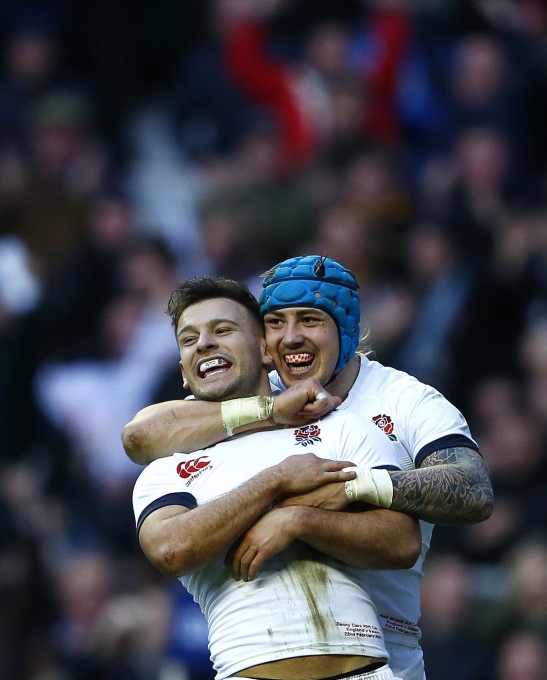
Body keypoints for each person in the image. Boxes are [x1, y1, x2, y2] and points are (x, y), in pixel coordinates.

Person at [123, 255, 494, 680]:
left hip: (387, 653)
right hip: (256, 659)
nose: (291, 338)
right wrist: (272, 418)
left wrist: (347, 492)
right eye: (276, 323)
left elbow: (471, 489)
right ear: (264, 345)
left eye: (310, 320)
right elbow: (139, 436)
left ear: (346, 328)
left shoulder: (399, 402)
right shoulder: (263, 398)